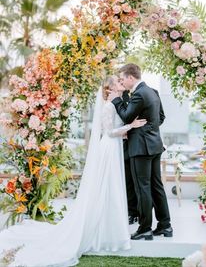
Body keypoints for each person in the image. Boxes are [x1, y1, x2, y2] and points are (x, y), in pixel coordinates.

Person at [0, 75, 146, 267]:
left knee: (112, 188)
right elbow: (109, 132)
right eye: (118, 83)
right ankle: (104, 233)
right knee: (106, 187)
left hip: (115, 147)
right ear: (110, 89)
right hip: (109, 148)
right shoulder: (109, 106)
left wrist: (127, 129)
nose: (121, 84)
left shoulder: (115, 104)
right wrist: (131, 126)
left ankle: (111, 230)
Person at [110, 63, 173, 241]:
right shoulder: (153, 91)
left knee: (142, 188)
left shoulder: (138, 94)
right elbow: (160, 117)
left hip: (141, 147)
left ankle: (145, 228)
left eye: (123, 78)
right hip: (155, 145)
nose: (122, 81)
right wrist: (150, 130)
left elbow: (126, 116)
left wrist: (116, 100)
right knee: (156, 186)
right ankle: (165, 225)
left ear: (131, 77)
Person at [121, 90, 139, 225]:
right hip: (123, 144)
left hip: (138, 142)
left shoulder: (142, 94)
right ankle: (131, 212)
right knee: (128, 181)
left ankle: (139, 212)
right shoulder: (118, 98)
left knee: (138, 181)